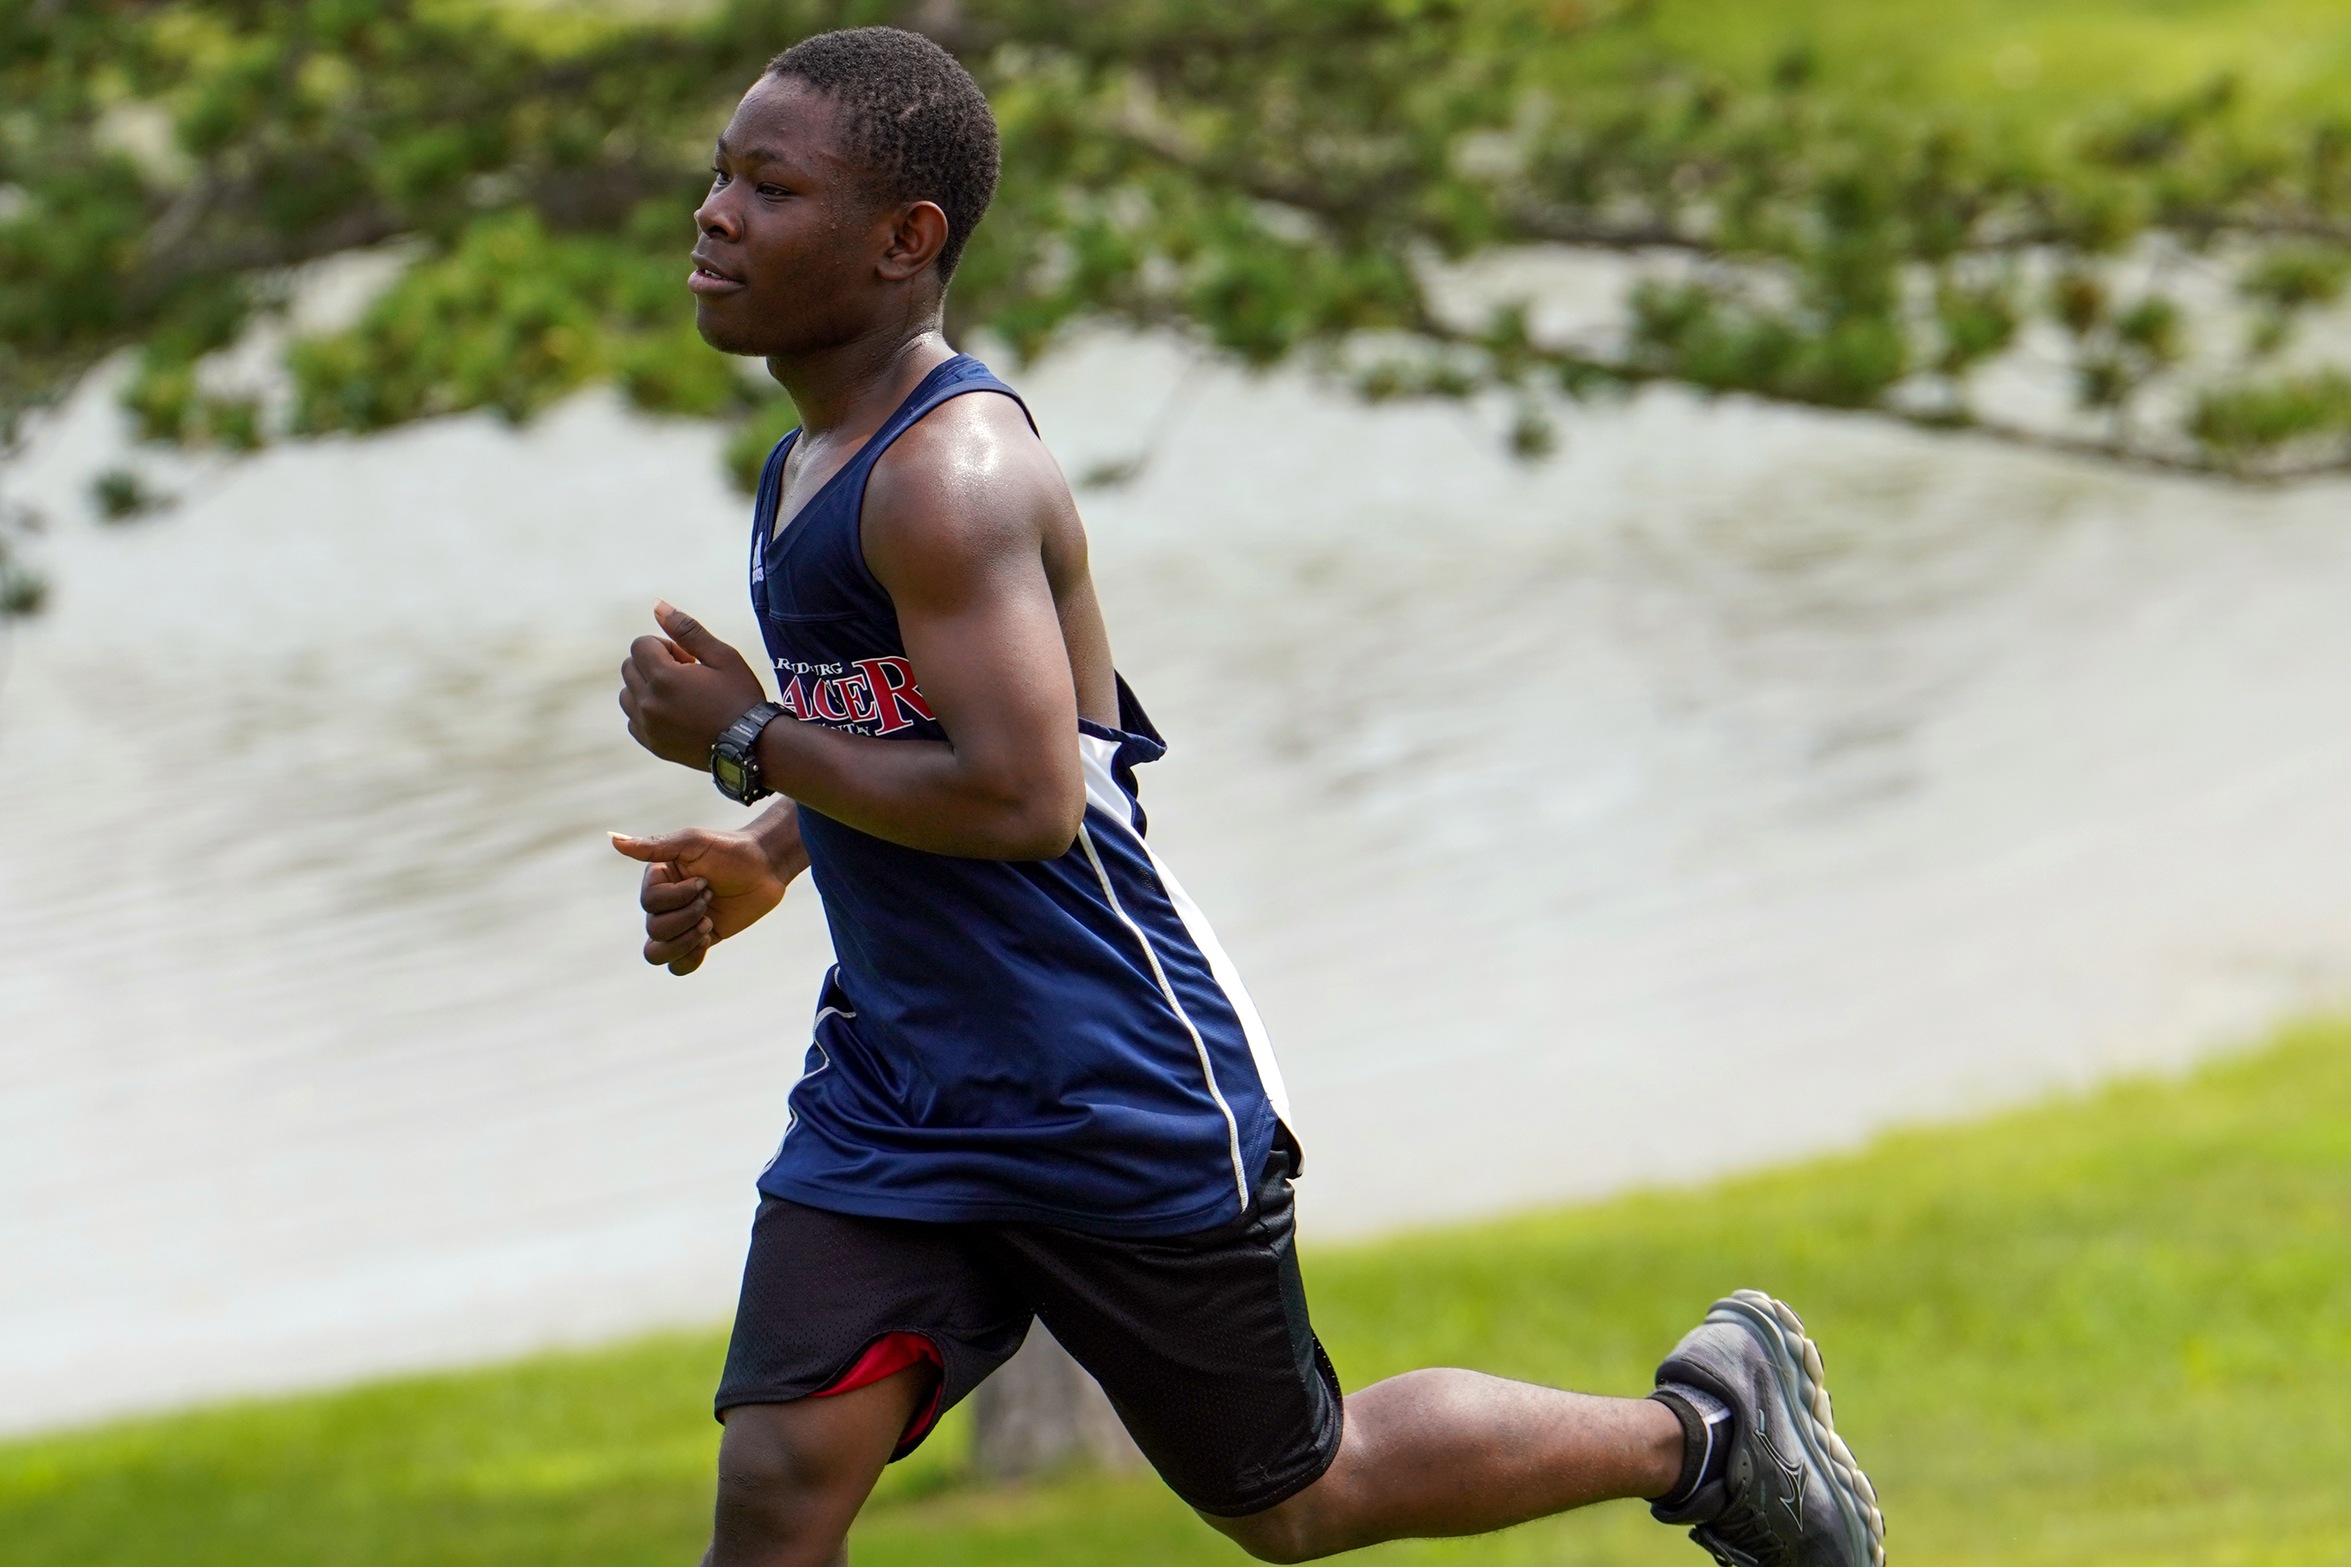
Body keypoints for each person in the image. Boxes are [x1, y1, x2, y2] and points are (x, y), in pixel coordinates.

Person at [611, 26, 1885, 1567]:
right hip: (905, 1082)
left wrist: (750, 736)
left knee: (1295, 1495)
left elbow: (1025, 799)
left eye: (768, 184)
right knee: (776, 1496)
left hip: (1104, 1076)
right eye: (719, 174)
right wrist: (769, 848)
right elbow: (922, 734)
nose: (715, 212)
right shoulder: (811, 459)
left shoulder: (949, 479)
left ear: (904, 241)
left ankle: (1708, 1434)